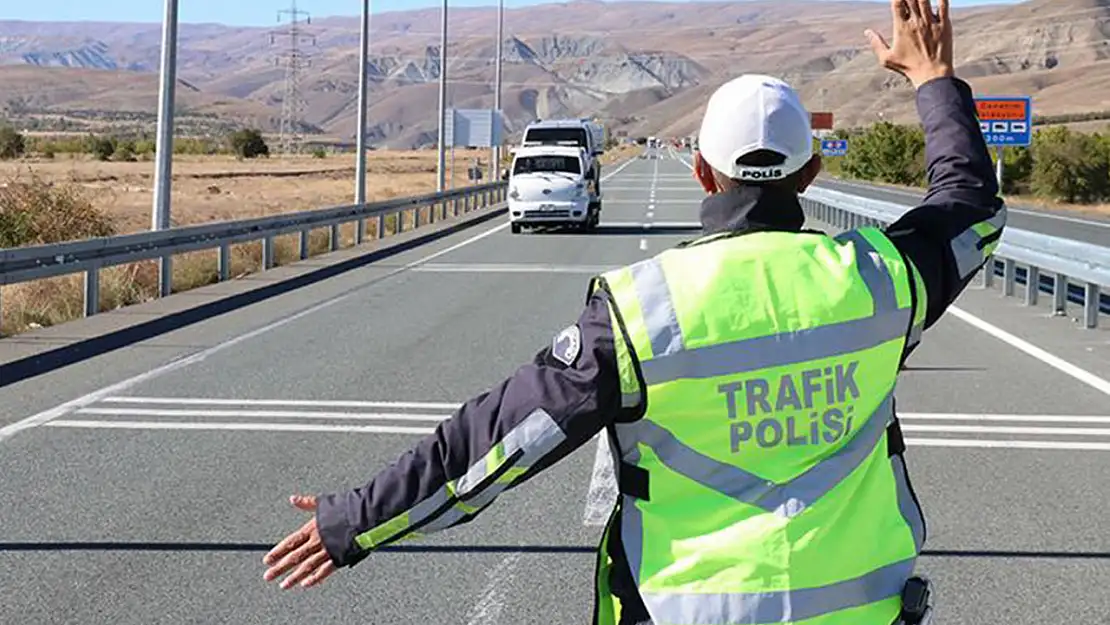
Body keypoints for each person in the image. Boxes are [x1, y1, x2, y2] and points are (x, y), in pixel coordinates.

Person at [262, 1, 1003, 623]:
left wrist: (354, 520)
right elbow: (969, 207)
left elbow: (488, 446)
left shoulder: (642, 312)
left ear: (701, 169)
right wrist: (934, 79)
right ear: (811, 171)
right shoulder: (881, 279)